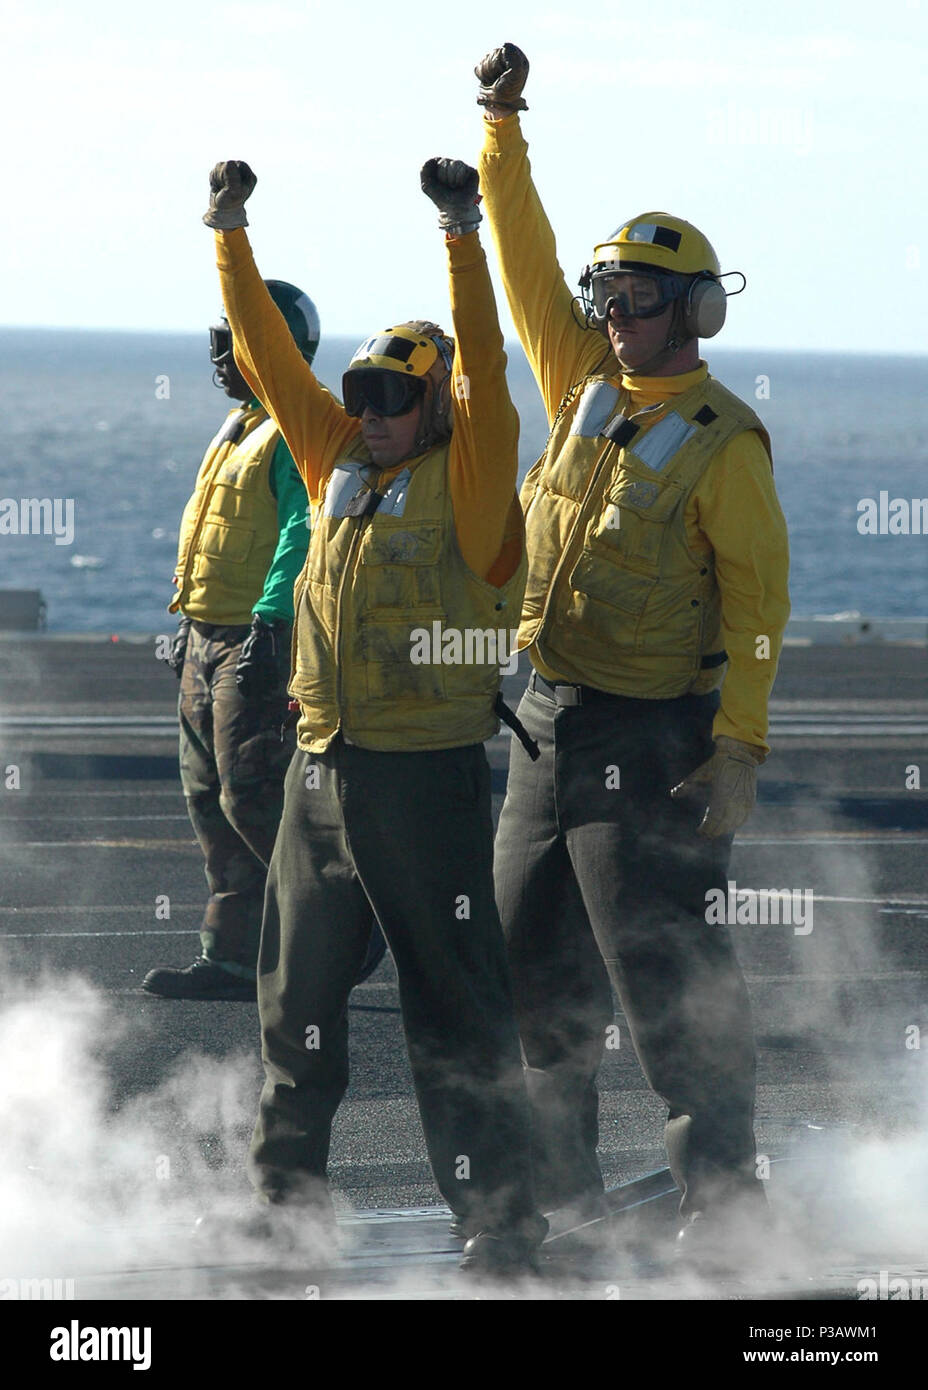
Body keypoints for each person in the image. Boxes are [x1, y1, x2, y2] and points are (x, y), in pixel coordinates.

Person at [473, 43, 791, 1268]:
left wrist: (739, 745)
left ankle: (724, 1200)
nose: (612, 314)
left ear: (696, 312)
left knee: (664, 979)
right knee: (529, 974)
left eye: (640, 299)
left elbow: (760, 600)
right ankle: (563, 1195)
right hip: (544, 725)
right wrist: (500, 123)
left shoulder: (723, 441)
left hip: (651, 737)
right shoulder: (581, 386)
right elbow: (519, 262)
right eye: (607, 295)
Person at [200, 154, 547, 1276]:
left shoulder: (478, 481)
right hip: (320, 777)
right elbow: (262, 352)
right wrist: (229, 231)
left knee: (454, 1012)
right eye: (358, 394)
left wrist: (460, 230)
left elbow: (487, 366)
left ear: (434, 400)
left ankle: (498, 1219)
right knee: (292, 1007)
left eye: (392, 396)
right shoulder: (335, 461)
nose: (368, 413)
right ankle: (283, 1204)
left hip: (424, 780)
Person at [143, 288, 388, 999]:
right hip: (205, 636)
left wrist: (272, 621)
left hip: (255, 638)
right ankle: (232, 955)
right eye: (220, 338)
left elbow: (302, 531)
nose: (220, 354)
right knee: (208, 796)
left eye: (236, 340)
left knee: (253, 793)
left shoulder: (295, 431)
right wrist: (192, 621)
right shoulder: (239, 426)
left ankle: (348, 922)